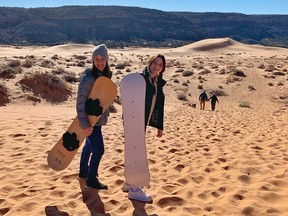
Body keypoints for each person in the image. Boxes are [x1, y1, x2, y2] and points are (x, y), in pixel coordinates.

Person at [122, 54, 167, 202]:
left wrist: (159, 125)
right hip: (134, 121)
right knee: (136, 151)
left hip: (143, 121)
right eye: (155, 63)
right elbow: (130, 98)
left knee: (133, 149)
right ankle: (135, 189)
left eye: (160, 65)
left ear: (162, 68)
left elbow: (158, 104)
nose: (157, 66)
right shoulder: (140, 80)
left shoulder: (156, 82)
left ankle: (129, 183)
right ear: (150, 63)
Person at [76, 44, 112, 190]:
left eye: (102, 59)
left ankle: (83, 173)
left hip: (97, 120)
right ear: (92, 60)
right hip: (90, 122)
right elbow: (80, 103)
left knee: (89, 147)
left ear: (107, 60)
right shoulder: (88, 78)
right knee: (99, 150)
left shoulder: (104, 75)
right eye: (96, 59)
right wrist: (85, 125)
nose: (99, 62)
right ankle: (91, 180)